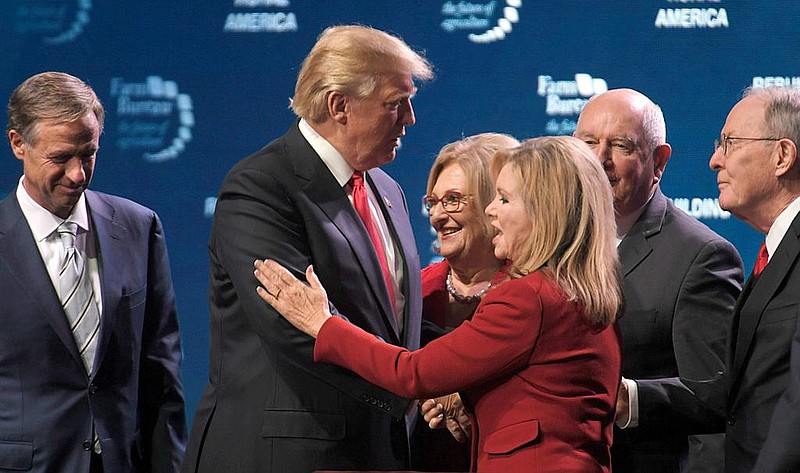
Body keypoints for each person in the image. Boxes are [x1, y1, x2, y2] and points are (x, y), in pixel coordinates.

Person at [255, 136, 624, 473]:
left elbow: (412, 373)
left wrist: (323, 324)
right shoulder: (582, 290)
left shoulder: (528, 297)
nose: (492, 212)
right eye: (432, 201)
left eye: (504, 199)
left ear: (544, 212)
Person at [181, 25, 433, 473]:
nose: (410, 118)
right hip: (293, 454)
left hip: (378, 452)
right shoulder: (261, 187)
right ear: (340, 106)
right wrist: (408, 385)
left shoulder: (387, 189)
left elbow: (392, 320)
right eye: (396, 103)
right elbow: (298, 332)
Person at [0, 71, 186, 472]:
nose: (78, 174)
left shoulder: (139, 227)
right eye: (60, 158)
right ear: (18, 143)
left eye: (88, 154)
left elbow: (161, 375)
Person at [574, 88, 744, 473]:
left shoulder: (701, 256)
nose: (600, 159)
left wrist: (628, 399)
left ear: (659, 161)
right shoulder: (550, 239)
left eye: (620, 145)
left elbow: (712, 394)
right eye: (588, 143)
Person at [413, 132, 519, 472]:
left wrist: (474, 401)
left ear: (494, 204)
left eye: (454, 200)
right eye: (434, 202)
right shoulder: (415, 292)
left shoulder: (533, 292)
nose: (437, 216)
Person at [709, 86, 800, 473]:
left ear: (781, 156)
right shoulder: (773, 251)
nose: (715, 160)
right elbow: (745, 391)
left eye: (730, 143)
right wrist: (635, 399)